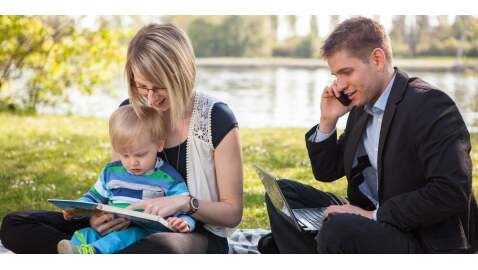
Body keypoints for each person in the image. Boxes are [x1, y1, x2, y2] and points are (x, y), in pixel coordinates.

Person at [0, 23, 244, 254]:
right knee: (16, 224)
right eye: (142, 86)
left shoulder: (216, 119)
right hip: (125, 227)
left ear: (183, 75)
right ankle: (85, 255)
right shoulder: (131, 111)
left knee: (160, 248)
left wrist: (184, 203)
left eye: (160, 87)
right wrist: (98, 218)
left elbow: (232, 213)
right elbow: (117, 180)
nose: (151, 98)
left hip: (190, 235)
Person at [261, 16, 477, 254]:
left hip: (420, 238)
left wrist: (372, 215)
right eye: (335, 76)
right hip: (369, 219)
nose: (340, 85)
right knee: (283, 193)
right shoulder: (361, 106)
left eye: (346, 72)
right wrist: (328, 121)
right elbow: (326, 172)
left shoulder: (431, 105)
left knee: (337, 229)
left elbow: (451, 191)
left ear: (377, 59)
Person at [57, 105, 195, 254]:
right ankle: (75, 251)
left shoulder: (169, 178)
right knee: (84, 234)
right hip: (112, 226)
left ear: (159, 144)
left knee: (126, 236)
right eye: (125, 155)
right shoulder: (111, 172)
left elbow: (183, 207)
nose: (132, 162)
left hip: (144, 233)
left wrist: (184, 222)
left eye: (140, 155)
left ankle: (92, 252)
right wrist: (78, 207)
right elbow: (94, 196)